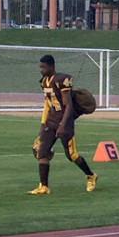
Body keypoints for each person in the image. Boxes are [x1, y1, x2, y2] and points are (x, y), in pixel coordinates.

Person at [27, 54, 97, 195]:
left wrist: (63, 125)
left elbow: (69, 105)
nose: (41, 70)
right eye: (40, 67)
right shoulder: (44, 82)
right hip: (51, 120)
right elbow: (47, 104)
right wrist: (42, 125)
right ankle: (44, 186)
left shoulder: (62, 80)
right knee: (42, 152)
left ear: (52, 66)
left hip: (64, 121)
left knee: (71, 155)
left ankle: (90, 175)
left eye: (44, 67)